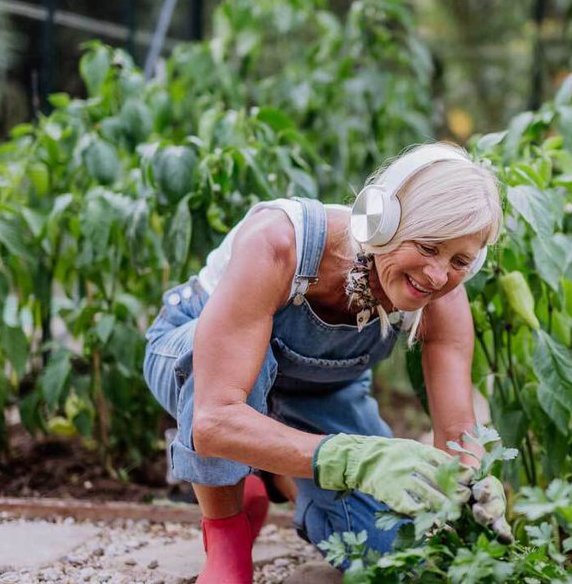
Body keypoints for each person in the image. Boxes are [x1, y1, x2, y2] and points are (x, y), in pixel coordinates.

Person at [142, 142, 510, 582]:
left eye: (460, 261)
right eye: (428, 246)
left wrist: (471, 486)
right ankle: (226, 541)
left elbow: (456, 432)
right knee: (230, 375)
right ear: (383, 220)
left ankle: (273, 475)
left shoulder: (443, 296)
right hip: (201, 365)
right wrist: (356, 459)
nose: (438, 275)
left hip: (319, 390)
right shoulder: (280, 242)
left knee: (392, 552)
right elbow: (214, 420)